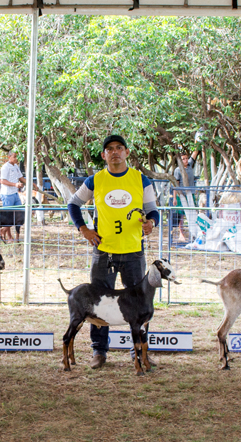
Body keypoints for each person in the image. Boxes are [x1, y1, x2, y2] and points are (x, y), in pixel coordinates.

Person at [68, 135, 160, 369]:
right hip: (104, 254)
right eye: (110, 149)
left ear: (127, 152)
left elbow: (153, 211)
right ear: (103, 155)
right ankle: (99, 351)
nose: (115, 152)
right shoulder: (94, 180)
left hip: (134, 253)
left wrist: (151, 224)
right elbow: (73, 204)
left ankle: (138, 352)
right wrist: (84, 229)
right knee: (98, 304)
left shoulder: (141, 180)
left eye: (119, 148)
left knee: (140, 304)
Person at [0, 150, 27, 243]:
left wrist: (32, 184)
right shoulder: (4, 167)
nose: (16, 159)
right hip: (7, 194)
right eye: (14, 157)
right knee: (8, 216)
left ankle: (4, 232)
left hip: (15, 194)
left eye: (16, 157)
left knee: (19, 214)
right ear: (9, 157)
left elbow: (21, 177)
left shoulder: (16, 166)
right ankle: (9, 236)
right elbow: (2, 181)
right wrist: (15, 185)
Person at [172, 149, 198, 242]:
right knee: (181, 215)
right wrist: (175, 197)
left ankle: (193, 233)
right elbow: (176, 184)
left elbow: (195, 153)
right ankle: (181, 233)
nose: (186, 160)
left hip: (191, 193)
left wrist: (197, 141)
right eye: (183, 159)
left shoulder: (190, 165)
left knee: (193, 213)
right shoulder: (178, 170)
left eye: (187, 158)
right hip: (182, 195)